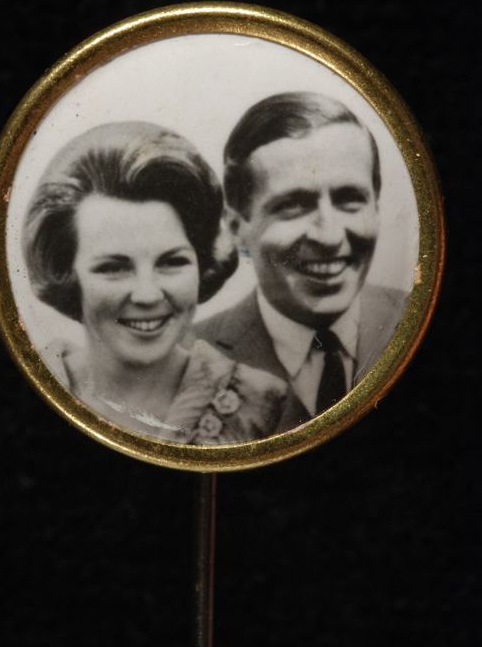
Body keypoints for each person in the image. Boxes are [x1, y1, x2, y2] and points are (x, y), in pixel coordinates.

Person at [22, 122, 287, 445]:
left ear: (203, 264)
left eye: (172, 262)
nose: (147, 294)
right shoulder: (32, 379)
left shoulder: (257, 402)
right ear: (66, 274)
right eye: (113, 268)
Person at [196, 92, 408, 421]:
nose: (329, 236)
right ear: (237, 228)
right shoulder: (186, 359)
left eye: (350, 199)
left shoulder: (416, 319)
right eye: (293, 205)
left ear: (376, 209)